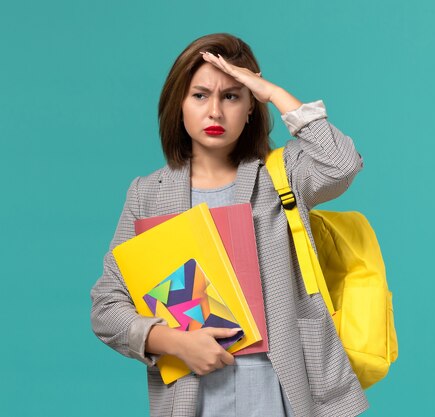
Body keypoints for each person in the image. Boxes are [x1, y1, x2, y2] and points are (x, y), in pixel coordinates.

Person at [90, 33, 369, 417]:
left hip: (283, 392)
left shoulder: (281, 175)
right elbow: (107, 306)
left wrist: (271, 91)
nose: (215, 112)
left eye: (232, 96)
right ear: (179, 105)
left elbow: (342, 163)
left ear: (250, 106)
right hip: (193, 398)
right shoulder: (147, 194)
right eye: (200, 95)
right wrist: (171, 341)